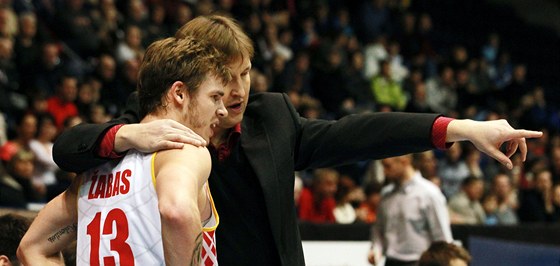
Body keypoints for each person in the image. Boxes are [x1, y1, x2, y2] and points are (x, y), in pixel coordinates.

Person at [51, 14, 542, 265]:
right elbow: (68, 146)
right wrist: (127, 134)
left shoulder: (271, 117)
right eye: (226, 79)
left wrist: (463, 129)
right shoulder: (155, 121)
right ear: (191, 85)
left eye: (246, 73)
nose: (240, 90)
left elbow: (358, 133)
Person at [16, 36, 230, 265]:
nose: (222, 111)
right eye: (215, 97)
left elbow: (31, 248)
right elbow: (176, 210)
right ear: (179, 93)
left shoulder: (94, 170)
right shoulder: (184, 150)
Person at [368, 154, 453, 266]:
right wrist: (376, 250)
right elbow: (378, 230)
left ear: (404, 161)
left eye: (387, 166)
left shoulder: (429, 194)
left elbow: (442, 237)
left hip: (419, 262)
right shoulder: (385, 195)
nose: (384, 172)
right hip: (390, 262)